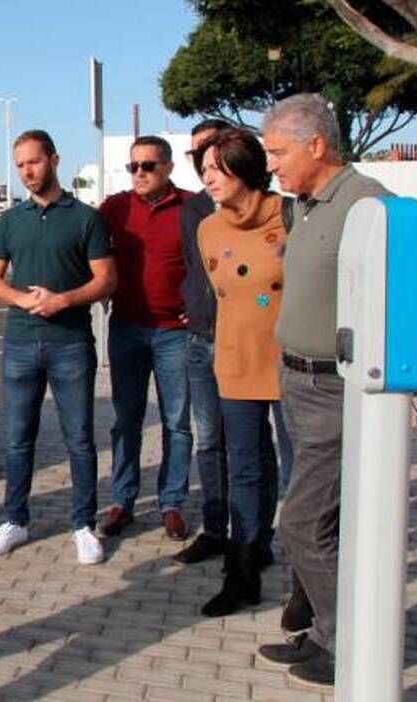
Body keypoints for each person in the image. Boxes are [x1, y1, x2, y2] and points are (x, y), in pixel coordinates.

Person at [254, 93, 417, 688]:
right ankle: (323, 630)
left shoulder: (370, 205)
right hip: (296, 382)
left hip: (335, 389)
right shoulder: (304, 206)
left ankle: (348, 643)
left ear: (316, 145)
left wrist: (359, 353)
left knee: (303, 522)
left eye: (278, 152)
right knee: (323, 518)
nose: (271, 166)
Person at [0, 130, 117, 564]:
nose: (27, 172)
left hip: (70, 344)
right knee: (18, 439)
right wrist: (21, 299)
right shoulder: (11, 220)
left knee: (79, 439)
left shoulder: (85, 218)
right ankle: (15, 521)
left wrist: (63, 300)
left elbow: (106, 280)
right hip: (19, 343)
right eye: (20, 164)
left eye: (34, 162)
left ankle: (83, 524)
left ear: (54, 160)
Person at [194, 128, 288, 617]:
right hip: (234, 363)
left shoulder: (292, 215)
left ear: (243, 166)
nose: (207, 177)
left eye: (216, 167)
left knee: (301, 471)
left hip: (294, 366)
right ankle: (243, 570)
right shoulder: (208, 229)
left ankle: (309, 573)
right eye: (204, 169)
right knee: (244, 469)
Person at [98, 135, 194, 542]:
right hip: (127, 330)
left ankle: (171, 502)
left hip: (176, 333)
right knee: (127, 420)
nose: (139, 173)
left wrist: (202, 304)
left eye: (148, 166)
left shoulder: (192, 208)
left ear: (168, 168)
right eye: (133, 166)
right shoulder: (114, 209)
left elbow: (210, 261)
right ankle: (123, 500)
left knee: (176, 422)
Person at [174, 118, 232, 564]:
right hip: (200, 338)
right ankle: (215, 530)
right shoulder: (193, 209)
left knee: (253, 446)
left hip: (248, 343)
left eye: (210, 149)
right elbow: (195, 269)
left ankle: (256, 538)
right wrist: (190, 302)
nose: (203, 161)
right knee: (208, 439)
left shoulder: (270, 208)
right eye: (196, 154)